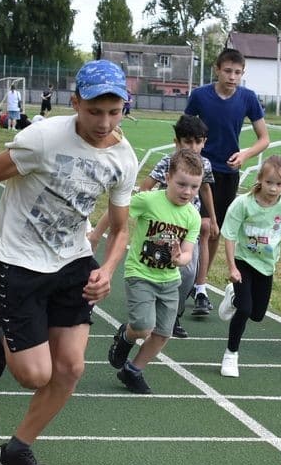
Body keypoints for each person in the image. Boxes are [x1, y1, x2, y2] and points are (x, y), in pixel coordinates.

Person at [0, 60, 137, 465]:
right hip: (22, 260)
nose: (104, 122)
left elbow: (121, 229)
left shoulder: (123, 158)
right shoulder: (43, 138)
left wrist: (108, 268)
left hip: (73, 262)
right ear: (76, 102)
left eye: (114, 111)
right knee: (35, 376)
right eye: (94, 111)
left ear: (124, 108)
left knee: (70, 370)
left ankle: (17, 449)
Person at [88, 115, 217, 338]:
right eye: (188, 142)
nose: (193, 147)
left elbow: (205, 189)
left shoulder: (204, 164)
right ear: (176, 142)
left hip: (187, 227)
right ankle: (144, 311)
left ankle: (173, 315)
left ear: (204, 142)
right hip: (162, 226)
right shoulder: (167, 162)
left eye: (198, 142)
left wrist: (212, 218)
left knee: (187, 273)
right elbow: (141, 191)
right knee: (151, 268)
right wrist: (150, 208)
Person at [106, 149, 203, 393]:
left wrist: (182, 259)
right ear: (168, 177)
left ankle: (132, 371)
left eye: (194, 187)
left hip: (170, 279)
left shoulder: (193, 216)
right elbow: (119, 209)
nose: (187, 192)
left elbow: (189, 251)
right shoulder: (148, 200)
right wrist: (97, 234)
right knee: (142, 326)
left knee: (162, 333)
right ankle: (126, 337)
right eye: (182, 184)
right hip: (140, 274)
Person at [184, 48, 270, 317]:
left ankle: (200, 285)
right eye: (228, 71)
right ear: (217, 70)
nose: (232, 77)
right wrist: (188, 157)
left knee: (213, 230)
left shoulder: (247, 98)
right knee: (196, 226)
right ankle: (191, 280)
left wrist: (245, 154)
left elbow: (263, 138)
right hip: (199, 170)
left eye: (238, 73)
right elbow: (185, 128)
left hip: (227, 173)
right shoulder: (200, 96)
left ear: (242, 74)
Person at [217, 155, 281, 377]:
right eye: (269, 182)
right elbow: (228, 235)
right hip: (243, 260)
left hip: (266, 265)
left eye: (279, 184)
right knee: (244, 309)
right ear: (260, 179)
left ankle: (233, 297)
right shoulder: (243, 204)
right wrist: (231, 268)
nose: (273, 189)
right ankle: (231, 354)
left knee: (257, 314)